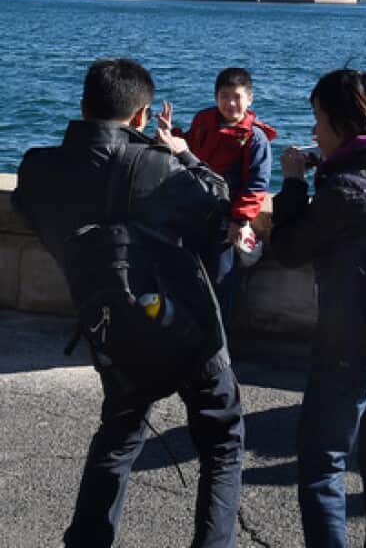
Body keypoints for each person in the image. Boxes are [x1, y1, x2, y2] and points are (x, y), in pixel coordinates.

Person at [13, 58, 244, 547]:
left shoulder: (37, 169)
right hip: (189, 330)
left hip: (112, 329)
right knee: (222, 443)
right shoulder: (161, 167)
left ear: (82, 107)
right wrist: (183, 153)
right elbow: (219, 204)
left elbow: (28, 209)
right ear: (141, 117)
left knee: (117, 441)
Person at [270, 69, 366, 547]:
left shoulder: (343, 191)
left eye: (318, 119)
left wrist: (294, 183)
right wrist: (325, 167)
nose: (314, 130)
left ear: (341, 123)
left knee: (321, 464)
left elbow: (289, 248)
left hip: (352, 340)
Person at [164, 66, 276, 334]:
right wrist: (171, 134)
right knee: (189, 277)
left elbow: (257, 184)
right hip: (193, 212)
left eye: (237, 97)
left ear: (250, 99)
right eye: (224, 96)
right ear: (216, 97)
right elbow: (189, 148)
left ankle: (219, 344)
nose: (230, 104)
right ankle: (190, 335)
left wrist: (240, 220)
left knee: (221, 282)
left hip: (225, 222)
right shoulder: (204, 120)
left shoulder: (254, 138)